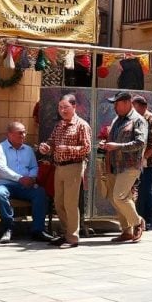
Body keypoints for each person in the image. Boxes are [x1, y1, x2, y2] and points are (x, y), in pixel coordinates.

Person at [39, 94, 92, 249]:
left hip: (74, 166)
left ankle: (73, 237)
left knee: (70, 203)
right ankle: (65, 233)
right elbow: (52, 142)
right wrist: (46, 147)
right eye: (60, 107)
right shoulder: (59, 125)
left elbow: (87, 148)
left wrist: (68, 148)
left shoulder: (81, 125)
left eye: (66, 107)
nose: (62, 110)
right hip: (59, 166)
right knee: (59, 202)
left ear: (74, 107)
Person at [101, 91, 148, 244]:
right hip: (114, 164)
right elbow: (114, 140)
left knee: (119, 196)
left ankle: (137, 222)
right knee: (115, 199)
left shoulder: (138, 120)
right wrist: (106, 144)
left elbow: (140, 143)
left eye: (117, 103)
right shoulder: (117, 120)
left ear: (127, 102)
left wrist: (117, 146)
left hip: (130, 165)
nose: (115, 107)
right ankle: (126, 230)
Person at [0, 121, 52, 243]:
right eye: (20, 133)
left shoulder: (28, 149)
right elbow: (2, 169)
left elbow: (34, 167)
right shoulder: (0, 148)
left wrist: (31, 178)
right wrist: (20, 178)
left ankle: (38, 230)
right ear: (9, 134)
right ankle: (8, 228)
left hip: (25, 185)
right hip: (5, 183)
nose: (23, 135)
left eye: (25, 132)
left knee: (40, 193)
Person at [132, 95, 152, 230]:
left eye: (135, 107)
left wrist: (144, 157)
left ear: (143, 107)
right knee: (137, 189)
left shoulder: (151, 119)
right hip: (136, 160)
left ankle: (148, 219)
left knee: (146, 190)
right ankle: (137, 218)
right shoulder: (134, 118)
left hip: (148, 162)